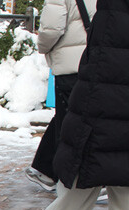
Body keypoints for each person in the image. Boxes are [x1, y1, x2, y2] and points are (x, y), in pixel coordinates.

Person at [21, 0, 129, 210]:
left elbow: (102, 47)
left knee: (83, 154)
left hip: (104, 84)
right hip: (116, 83)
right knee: (119, 155)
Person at [24, 0, 96, 192]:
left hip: (70, 65)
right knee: (81, 118)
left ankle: (63, 177)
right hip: (97, 61)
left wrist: (42, 47)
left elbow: (51, 29)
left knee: (68, 121)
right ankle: (47, 170)